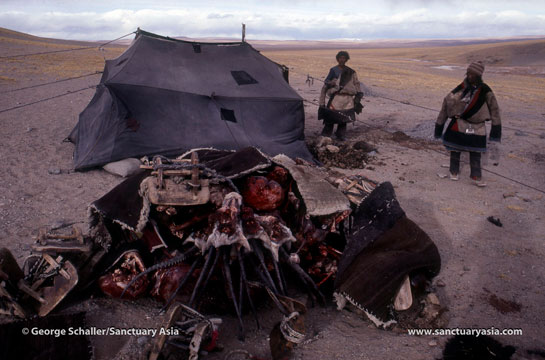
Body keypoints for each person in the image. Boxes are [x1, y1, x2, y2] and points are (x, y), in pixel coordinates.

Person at [434, 61, 501, 187]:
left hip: (477, 127)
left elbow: (495, 110)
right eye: (468, 73)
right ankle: (454, 172)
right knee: (455, 150)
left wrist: (495, 131)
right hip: (458, 124)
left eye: (473, 74)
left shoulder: (485, 90)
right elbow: (447, 102)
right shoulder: (461, 87)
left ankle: (476, 176)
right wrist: (439, 126)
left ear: (479, 75)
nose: (470, 76)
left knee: (475, 153)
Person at [318, 51, 363, 141]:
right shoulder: (333, 70)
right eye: (340, 58)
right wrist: (332, 82)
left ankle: (341, 135)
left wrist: (358, 94)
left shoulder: (351, 71)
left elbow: (356, 83)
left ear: (346, 59)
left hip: (348, 99)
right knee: (330, 116)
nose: (342, 60)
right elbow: (326, 81)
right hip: (336, 97)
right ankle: (326, 134)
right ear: (337, 59)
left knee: (344, 118)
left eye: (344, 58)